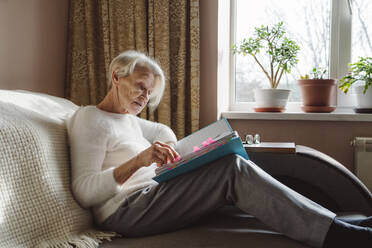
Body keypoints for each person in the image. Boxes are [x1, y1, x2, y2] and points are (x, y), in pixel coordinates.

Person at [67, 50, 372, 248]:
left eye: (149, 92)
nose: (145, 97)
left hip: (154, 193)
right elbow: (84, 190)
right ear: (116, 77)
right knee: (231, 170)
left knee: (230, 157)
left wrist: (170, 151)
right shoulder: (90, 119)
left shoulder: (128, 119)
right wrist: (139, 160)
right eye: (140, 86)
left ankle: (334, 221)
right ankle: (336, 235)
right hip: (125, 212)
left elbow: (162, 131)